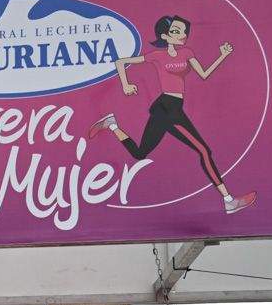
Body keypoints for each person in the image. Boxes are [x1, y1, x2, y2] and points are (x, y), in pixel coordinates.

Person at [87, 15, 257, 215]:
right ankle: (228, 201)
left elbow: (204, 74)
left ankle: (112, 124)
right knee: (203, 151)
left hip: (172, 108)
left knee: (140, 154)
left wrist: (222, 55)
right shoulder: (157, 56)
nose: (182, 35)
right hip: (167, 108)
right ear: (164, 36)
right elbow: (121, 62)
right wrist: (126, 85)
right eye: (176, 31)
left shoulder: (187, 52)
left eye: (184, 32)